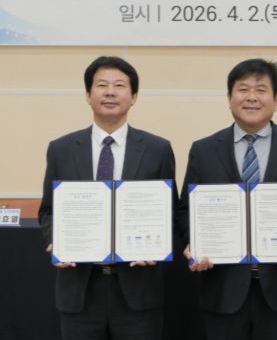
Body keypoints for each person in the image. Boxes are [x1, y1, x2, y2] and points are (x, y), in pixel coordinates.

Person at [180, 58, 277, 340]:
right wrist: (193, 245)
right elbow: (186, 210)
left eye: (261, 90)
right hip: (222, 288)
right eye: (243, 89)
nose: (252, 97)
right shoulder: (204, 150)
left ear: (276, 99)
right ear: (229, 98)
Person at [38, 56, 178, 340]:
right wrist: (57, 240)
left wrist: (157, 243)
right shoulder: (61, 149)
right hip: (79, 290)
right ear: (88, 95)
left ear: (133, 96)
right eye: (102, 85)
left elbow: (171, 211)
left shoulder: (157, 149)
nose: (110, 92)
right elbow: (48, 210)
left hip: (138, 291)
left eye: (119, 85)